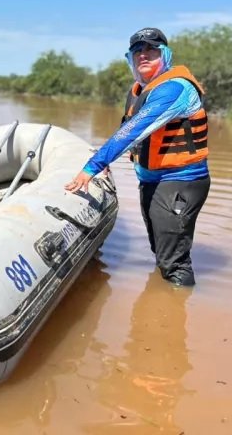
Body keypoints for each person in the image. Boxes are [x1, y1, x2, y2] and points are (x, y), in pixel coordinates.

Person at [65, 28, 210, 286]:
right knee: (160, 251)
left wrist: (94, 166)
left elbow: (132, 132)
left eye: (152, 49)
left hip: (180, 181)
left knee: (174, 264)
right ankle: (158, 300)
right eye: (137, 51)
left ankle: (179, 305)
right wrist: (109, 161)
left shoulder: (174, 89)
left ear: (165, 55)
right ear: (130, 58)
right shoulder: (138, 91)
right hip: (152, 181)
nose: (144, 54)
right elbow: (128, 131)